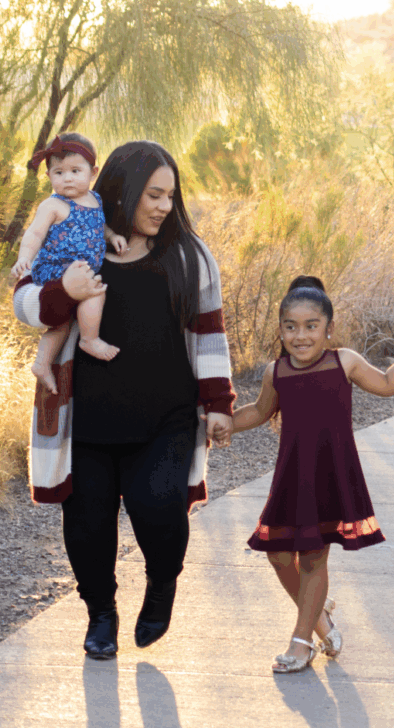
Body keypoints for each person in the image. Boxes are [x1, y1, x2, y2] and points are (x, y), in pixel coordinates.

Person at [13, 140, 234, 661]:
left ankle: (162, 584)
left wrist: (219, 401)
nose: (163, 206)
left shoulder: (189, 255)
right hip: (85, 422)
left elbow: (209, 332)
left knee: (159, 508)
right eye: (153, 195)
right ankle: (101, 614)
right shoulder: (82, 239)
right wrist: (63, 289)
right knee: (87, 526)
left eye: (170, 196)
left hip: (167, 418)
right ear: (126, 189)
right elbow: (26, 303)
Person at [228, 275, 394, 673]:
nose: (300, 336)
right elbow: (258, 412)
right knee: (279, 555)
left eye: (311, 326)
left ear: (329, 329)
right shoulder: (277, 371)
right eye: (291, 327)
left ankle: (301, 642)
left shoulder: (345, 362)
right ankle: (319, 617)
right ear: (281, 329)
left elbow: (388, 384)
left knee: (314, 558)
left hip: (330, 476)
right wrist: (218, 422)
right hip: (291, 477)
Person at [11, 132, 129, 393]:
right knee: (95, 292)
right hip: (56, 270)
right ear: (49, 176)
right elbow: (34, 234)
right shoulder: (53, 205)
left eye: (75, 170)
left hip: (77, 271)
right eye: (58, 172)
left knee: (62, 322)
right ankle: (90, 339)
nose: (67, 178)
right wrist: (24, 259)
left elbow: (101, 227)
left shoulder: (95, 200)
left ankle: (42, 363)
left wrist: (114, 236)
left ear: (92, 172)